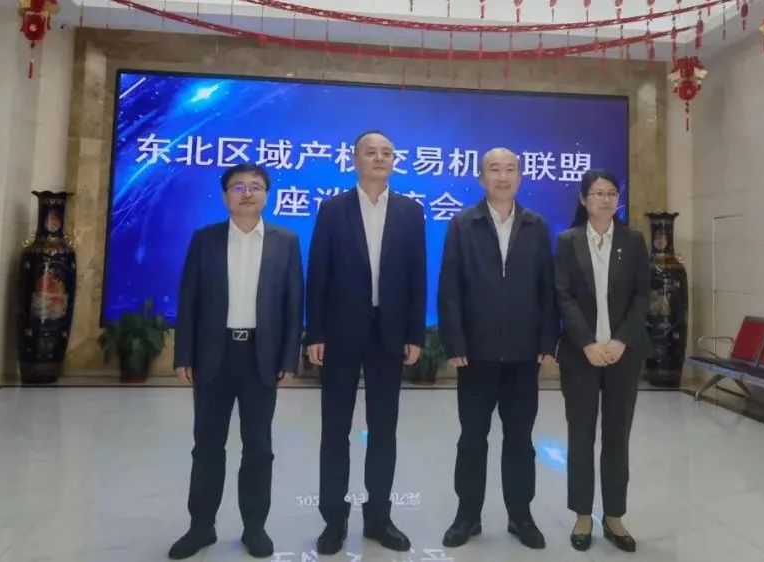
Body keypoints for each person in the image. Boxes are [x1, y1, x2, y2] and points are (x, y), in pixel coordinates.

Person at [168, 163, 303, 560]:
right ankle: (201, 527)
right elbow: (189, 300)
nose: (247, 193)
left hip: (261, 357)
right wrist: (184, 354)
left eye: (256, 187)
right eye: (238, 187)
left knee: (259, 446)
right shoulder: (205, 239)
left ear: (267, 195)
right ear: (226, 195)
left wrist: (288, 357)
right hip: (214, 355)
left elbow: (293, 304)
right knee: (207, 446)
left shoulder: (286, 241)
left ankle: (254, 527)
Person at [305, 131, 427, 555]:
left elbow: (417, 277)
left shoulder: (411, 211)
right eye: (370, 152)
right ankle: (333, 521)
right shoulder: (333, 209)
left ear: (394, 161)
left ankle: (378, 518)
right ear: (354, 159)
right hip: (340, 332)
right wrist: (315, 332)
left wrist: (414, 333)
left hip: (389, 334)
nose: (379, 158)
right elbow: (317, 273)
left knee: (384, 430)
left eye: (386, 153)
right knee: (335, 430)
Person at [437, 147, 557, 550]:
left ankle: (520, 515)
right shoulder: (463, 223)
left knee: (520, 439)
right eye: (494, 169)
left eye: (510, 170)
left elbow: (547, 288)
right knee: (472, 438)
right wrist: (454, 341)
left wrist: (546, 340)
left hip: (524, 354)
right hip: (476, 353)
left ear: (520, 177)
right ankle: (467, 515)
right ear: (481, 177)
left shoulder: (536, 225)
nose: (502, 177)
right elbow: (449, 288)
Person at [553, 169, 651, 553]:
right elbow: (563, 296)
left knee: (616, 436)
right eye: (597, 193)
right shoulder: (567, 241)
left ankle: (614, 515)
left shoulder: (633, 240)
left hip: (623, 355)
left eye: (611, 193)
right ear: (583, 199)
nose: (606, 199)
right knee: (580, 436)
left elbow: (641, 296)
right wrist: (588, 343)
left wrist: (621, 340)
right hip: (581, 356)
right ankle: (582, 515)